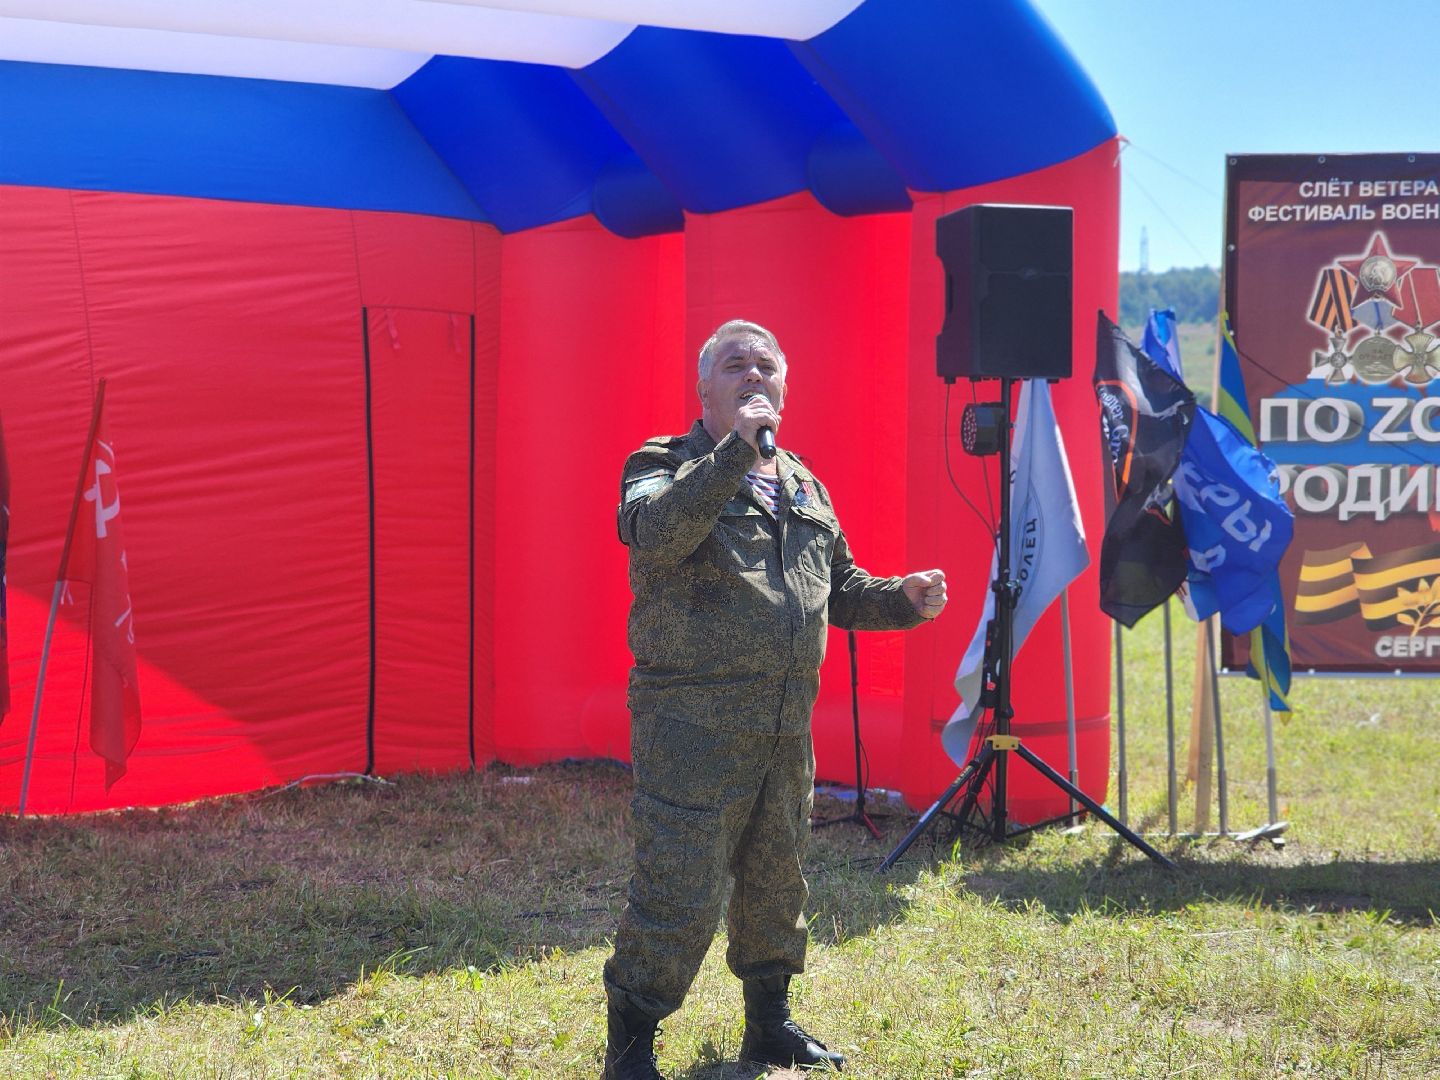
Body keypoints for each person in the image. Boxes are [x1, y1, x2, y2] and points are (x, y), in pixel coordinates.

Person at [602, 320, 947, 1079]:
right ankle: (630, 1044)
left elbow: (842, 588)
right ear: (705, 389)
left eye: (767, 367)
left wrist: (904, 598)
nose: (753, 376)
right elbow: (654, 533)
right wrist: (734, 454)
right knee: (678, 892)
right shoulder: (663, 462)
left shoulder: (805, 483)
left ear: (785, 389)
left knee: (776, 884)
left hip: (785, 732)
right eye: (736, 365)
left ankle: (770, 1025)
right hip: (691, 731)